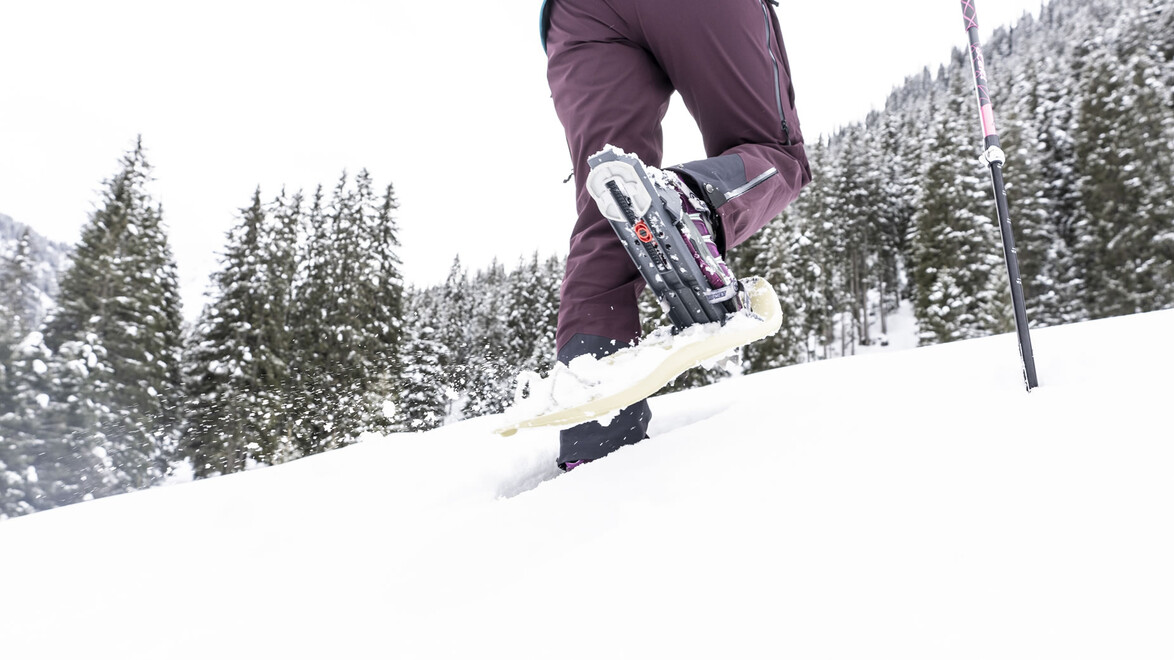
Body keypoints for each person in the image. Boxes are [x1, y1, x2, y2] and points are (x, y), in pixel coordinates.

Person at [540, 0, 812, 470]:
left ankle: (593, 435)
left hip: (577, 14)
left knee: (613, 210)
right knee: (777, 155)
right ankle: (692, 199)